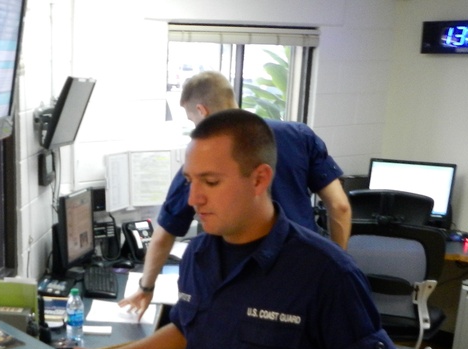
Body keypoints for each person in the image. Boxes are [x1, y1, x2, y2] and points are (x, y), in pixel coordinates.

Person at [50, 109, 396, 349]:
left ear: (260, 178)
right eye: (189, 181)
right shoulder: (198, 255)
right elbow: (186, 333)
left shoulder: (325, 272)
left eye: (211, 182)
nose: (194, 198)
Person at [120, 71, 352, 319]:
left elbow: (165, 233)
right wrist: (334, 265)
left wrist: (146, 287)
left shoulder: (204, 160)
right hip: (305, 274)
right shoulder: (299, 135)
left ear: (202, 110)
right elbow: (339, 207)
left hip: (244, 282)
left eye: (192, 120)